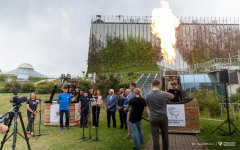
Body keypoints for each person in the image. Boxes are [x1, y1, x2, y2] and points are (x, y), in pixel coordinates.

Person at [146, 79, 174, 150]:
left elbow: (146, 106)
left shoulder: (148, 95)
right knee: (165, 136)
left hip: (153, 117)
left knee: (155, 137)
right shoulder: (163, 94)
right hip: (163, 117)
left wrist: (149, 114)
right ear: (159, 85)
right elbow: (172, 96)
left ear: (152, 85)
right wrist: (162, 91)